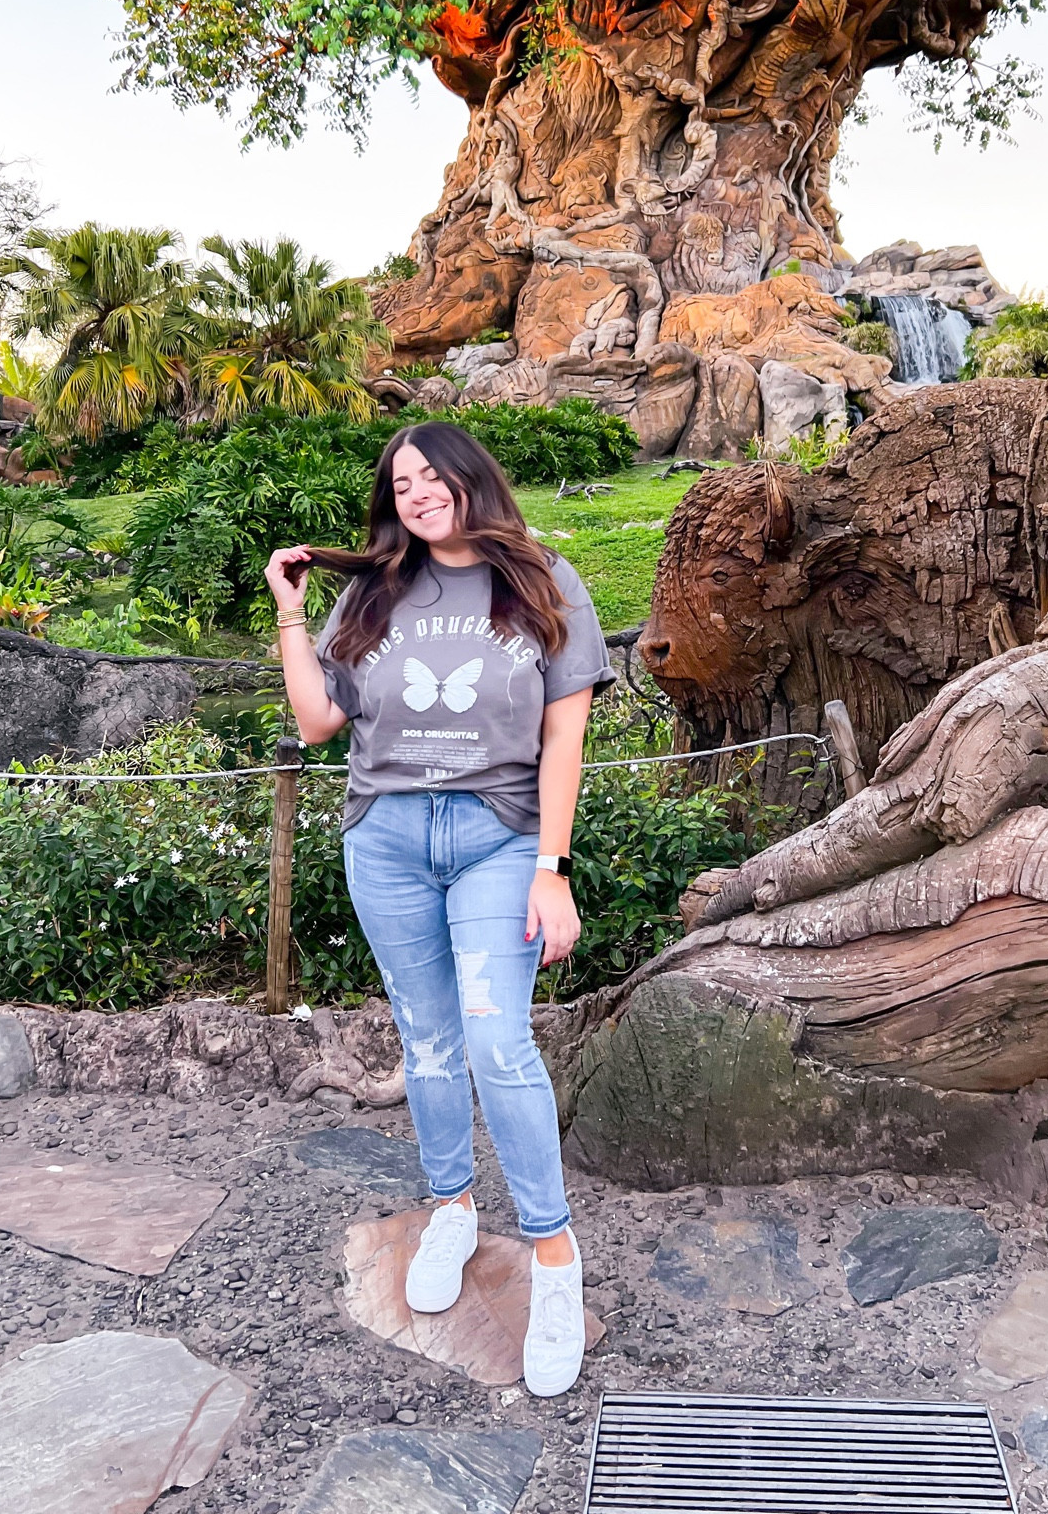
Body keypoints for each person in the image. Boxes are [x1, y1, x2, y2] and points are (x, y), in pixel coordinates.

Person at [265, 419, 615, 1397]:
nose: (415, 490)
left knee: (499, 1041)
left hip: (499, 837)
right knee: (425, 1040)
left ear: (469, 479)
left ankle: (553, 1259)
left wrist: (553, 867)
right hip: (386, 837)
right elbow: (316, 720)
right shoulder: (370, 590)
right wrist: (290, 613)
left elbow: (562, 740)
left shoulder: (542, 578)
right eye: (400, 480)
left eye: (431, 474)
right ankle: (453, 1205)